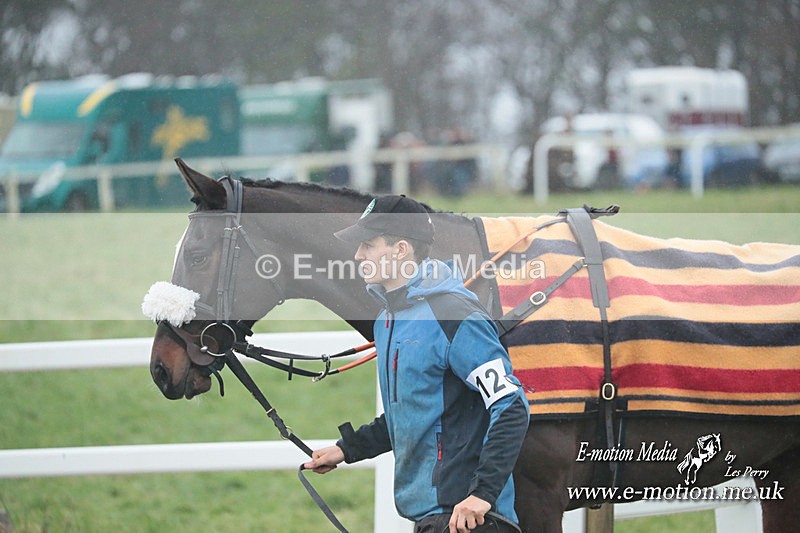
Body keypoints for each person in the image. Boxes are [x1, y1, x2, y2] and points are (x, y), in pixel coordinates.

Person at [304, 194, 530, 533]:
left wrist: (483, 495)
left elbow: (512, 406)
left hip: (470, 519)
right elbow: (412, 410)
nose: (357, 255)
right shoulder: (386, 320)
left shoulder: (454, 315)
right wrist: (346, 449)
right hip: (431, 519)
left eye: (368, 244)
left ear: (401, 250)